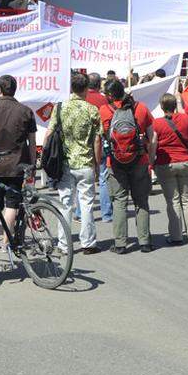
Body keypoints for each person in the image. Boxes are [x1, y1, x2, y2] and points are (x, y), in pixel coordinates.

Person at [98, 78, 155, 253]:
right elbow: (152, 137)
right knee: (141, 201)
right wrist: (150, 158)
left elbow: (99, 137)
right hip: (140, 159)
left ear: (109, 95)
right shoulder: (141, 108)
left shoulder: (104, 111)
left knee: (119, 202)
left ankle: (121, 243)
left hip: (114, 162)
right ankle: (145, 241)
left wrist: (98, 160)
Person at [0, 75, 36, 249]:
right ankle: (6, 240)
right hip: (17, 164)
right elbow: (32, 142)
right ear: (15, 89)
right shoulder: (25, 111)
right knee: (12, 204)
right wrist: (33, 164)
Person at [53, 72, 102, 254]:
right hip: (85, 162)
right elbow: (97, 140)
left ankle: (64, 244)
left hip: (66, 163)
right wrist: (97, 164)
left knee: (65, 203)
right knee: (87, 203)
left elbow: (50, 133)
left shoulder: (59, 108)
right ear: (86, 89)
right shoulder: (91, 110)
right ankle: (88, 243)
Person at [151, 93, 188, 245]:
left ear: (161, 107)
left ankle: (176, 236)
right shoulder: (186, 119)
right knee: (187, 199)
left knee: (172, 201)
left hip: (166, 163)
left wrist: (152, 159)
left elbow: (153, 143)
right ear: (174, 105)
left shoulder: (157, 123)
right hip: (185, 160)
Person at [83, 73, 112, 222]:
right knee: (103, 177)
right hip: (100, 142)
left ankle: (80, 214)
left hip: (83, 144)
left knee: (83, 180)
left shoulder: (81, 99)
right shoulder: (104, 99)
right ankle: (106, 213)